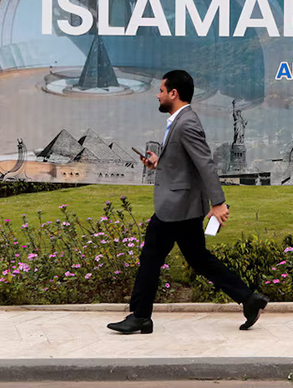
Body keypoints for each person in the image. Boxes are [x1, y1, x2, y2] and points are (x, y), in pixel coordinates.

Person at [107, 70, 268, 334]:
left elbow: (205, 163)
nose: (157, 95)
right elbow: (186, 163)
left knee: (151, 257)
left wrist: (218, 203)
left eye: (161, 90)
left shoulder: (186, 123)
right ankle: (249, 298)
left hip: (176, 207)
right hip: (183, 206)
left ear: (174, 93)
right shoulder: (180, 121)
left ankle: (140, 316)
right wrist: (158, 162)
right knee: (198, 258)